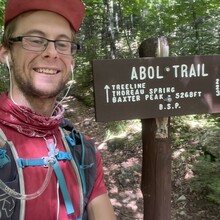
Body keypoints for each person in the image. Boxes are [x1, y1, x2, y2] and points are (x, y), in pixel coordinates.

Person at [0, 0, 116, 219]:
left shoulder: (84, 151)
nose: (52, 52)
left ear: (71, 62)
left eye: (62, 44)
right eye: (35, 40)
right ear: (6, 53)